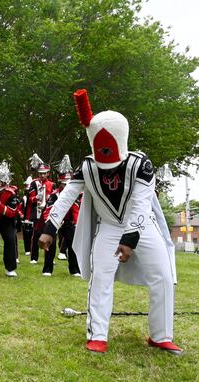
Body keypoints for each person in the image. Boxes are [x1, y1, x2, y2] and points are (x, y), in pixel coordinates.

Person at [39, 89, 181, 355]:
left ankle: (161, 335)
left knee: (162, 274)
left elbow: (141, 202)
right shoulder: (87, 166)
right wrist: (50, 227)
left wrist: (129, 240)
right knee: (100, 276)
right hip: (108, 226)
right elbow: (67, 195)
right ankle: (98, 335)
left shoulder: (142, 164)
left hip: (142, 225)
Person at [39, 164, 81, 277]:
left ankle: (75, 269)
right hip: (54, 222)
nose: (66, 186)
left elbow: (76, 211)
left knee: (73, 243)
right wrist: (52, 225)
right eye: (64, 184)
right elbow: (47, 211)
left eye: (68, 184)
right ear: (60, 183)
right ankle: (47, 269)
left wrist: (76, 224)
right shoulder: (53, 195)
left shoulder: (75, 195)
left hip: (68, 222)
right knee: (50, 244)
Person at [28, 159, 54, 264]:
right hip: (37, 211)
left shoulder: (52, 184)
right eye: (41, 173)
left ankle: (49, 258)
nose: (42, 175)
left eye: (44, 173)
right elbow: (30, 198)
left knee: (49, 233)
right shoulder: (34, 183)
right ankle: (34, 258)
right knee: (36, 234)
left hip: (47, 212)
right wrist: (36, 198)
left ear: (48, 173)